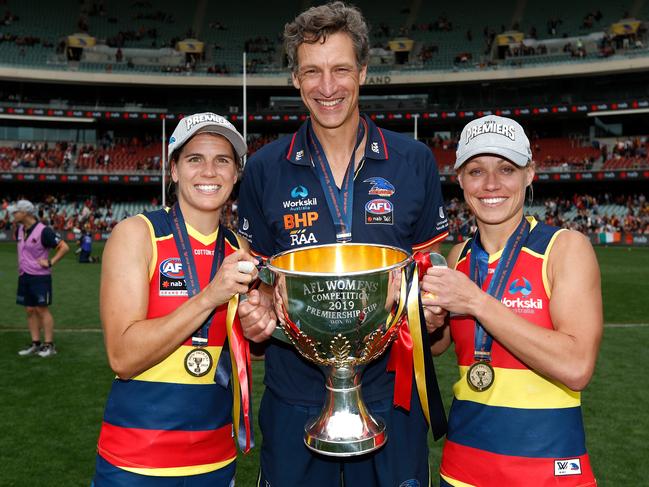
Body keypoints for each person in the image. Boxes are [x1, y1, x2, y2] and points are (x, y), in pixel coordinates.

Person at [237, 3, 449, 485]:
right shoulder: (266, 168)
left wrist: (433, 310)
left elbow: (432, 270)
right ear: (295, 79)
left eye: (340, 70)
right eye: (312, 71)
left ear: (364, 73)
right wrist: (256, 306)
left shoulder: (413, 160)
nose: (327, 87)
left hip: (393, 395)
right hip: (294, 394)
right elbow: (255, 280)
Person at [422, 115, 602, 486]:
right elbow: (439, 347)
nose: (490, 184)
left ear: (529, 174)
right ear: (459, 179)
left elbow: (576, 366)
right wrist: (430, 321)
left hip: (547, 471)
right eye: (476, 171)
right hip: (461, 471)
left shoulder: (564, 248)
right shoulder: (457, 258)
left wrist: (476, 301)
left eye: (506, 168)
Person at [93, 113, 258, 486]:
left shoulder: (239, 248)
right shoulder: (137, 234)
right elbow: (123, 358)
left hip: (215, 459)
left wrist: (262, 320)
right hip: (136, 460)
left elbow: (243, 348)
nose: (209, 171)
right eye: (195, 158)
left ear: (235, 175)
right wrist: (209, 297)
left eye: (223, 161)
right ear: (174, 170)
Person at [12, 199, 70, 358]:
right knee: (30, 310)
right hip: (24, 275)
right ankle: (36, 344)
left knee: (41, 309)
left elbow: (64, 247)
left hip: (40, 277)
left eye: (16, 211)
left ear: (25, 213)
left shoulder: (44, 231)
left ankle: (49, 345)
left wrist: (51, 262)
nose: (13, 214)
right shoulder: (20, 229)